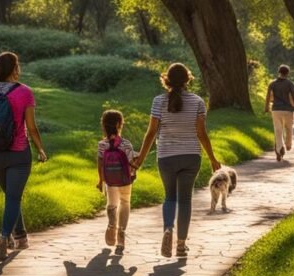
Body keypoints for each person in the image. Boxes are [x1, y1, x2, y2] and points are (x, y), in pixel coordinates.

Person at [132, 63, 221, 258]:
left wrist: (140, 158)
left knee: (170, 197)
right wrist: (212, 158)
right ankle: (181, 245)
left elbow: (151, 133)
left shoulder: (158, 101)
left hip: (166, 156)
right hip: (191, 157)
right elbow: (201, 133)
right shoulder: (197, 101)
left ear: (167, 80)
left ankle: (167, 229)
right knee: (185, 200)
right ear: (188, 80)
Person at [0, 51, 48, 260]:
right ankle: (4, 238)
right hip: (18, 153)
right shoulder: (25, 92)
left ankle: (20, 236)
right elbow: (31, 127)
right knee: (13, 197)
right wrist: (40, 148)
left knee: (11, 196)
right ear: (15, 69)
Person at [95, 109, 137, 255]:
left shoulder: (102, 145)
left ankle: (112, 224)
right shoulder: (126, 144)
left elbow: (100, 164)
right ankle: (121, 234)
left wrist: (101, 181)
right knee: (125, 203)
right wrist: (134, 170)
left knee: (112, 205)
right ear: (119, 124)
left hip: (110, 181)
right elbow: (131, 163)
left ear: (104, 125)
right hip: (125, 180)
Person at [264, 64, 294, 161]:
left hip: (276, 110)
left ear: (279, 72)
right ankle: (288, 145)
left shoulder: (272, 84)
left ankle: (279, 149)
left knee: (278, 130)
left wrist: (266, 108)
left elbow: (268, 97)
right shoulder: (290, 84)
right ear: (288, 73)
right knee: (289, 128)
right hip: (288, 110)